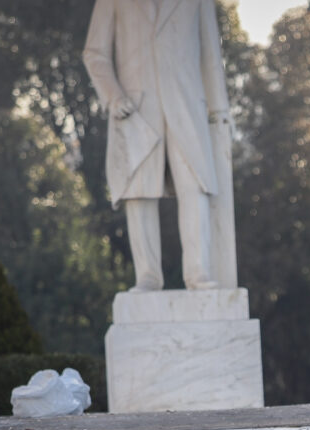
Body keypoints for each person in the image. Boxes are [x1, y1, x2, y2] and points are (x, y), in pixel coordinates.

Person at [83, 0, 237, 291]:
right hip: (135, 109)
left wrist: (219, 110)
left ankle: (198, 273)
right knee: (139, 193)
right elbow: (95, 53)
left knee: (196, 187)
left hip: (187, 105)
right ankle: (148, 277)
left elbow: (210, 54)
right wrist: (113, 95)